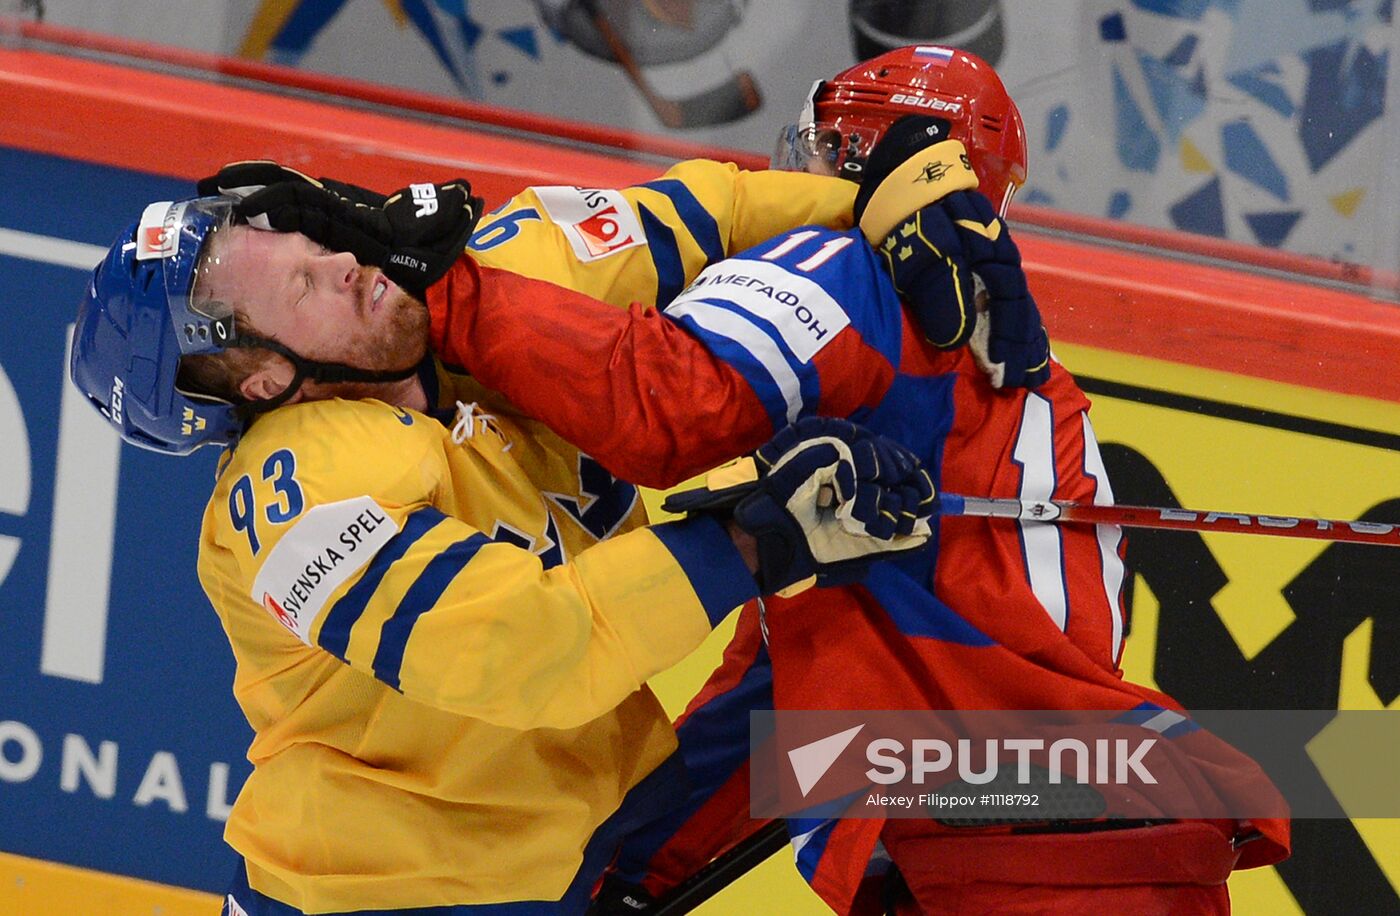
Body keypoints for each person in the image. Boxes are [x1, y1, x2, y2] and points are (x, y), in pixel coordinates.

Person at [327, 48, 1285, 914]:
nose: (793, 176)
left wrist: (440, 288)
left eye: (818, 148)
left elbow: (661, 404)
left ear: (863, 154)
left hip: (1010, 862)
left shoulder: (849, 270)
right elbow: (789, 704)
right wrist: (635, 875)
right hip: (1123, 839)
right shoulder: (1034, 388)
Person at [69, 195, 937, 914]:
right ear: (262, 379)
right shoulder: (290, 492)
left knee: (843, 708)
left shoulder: (490, 276)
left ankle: (1030, 814)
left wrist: (900, 201)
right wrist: (747, 542)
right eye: (302, 286)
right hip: (387, 893)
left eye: (312, 240)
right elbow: (527, 650)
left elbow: (714, 208)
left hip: (580, 820)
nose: (343, 260)